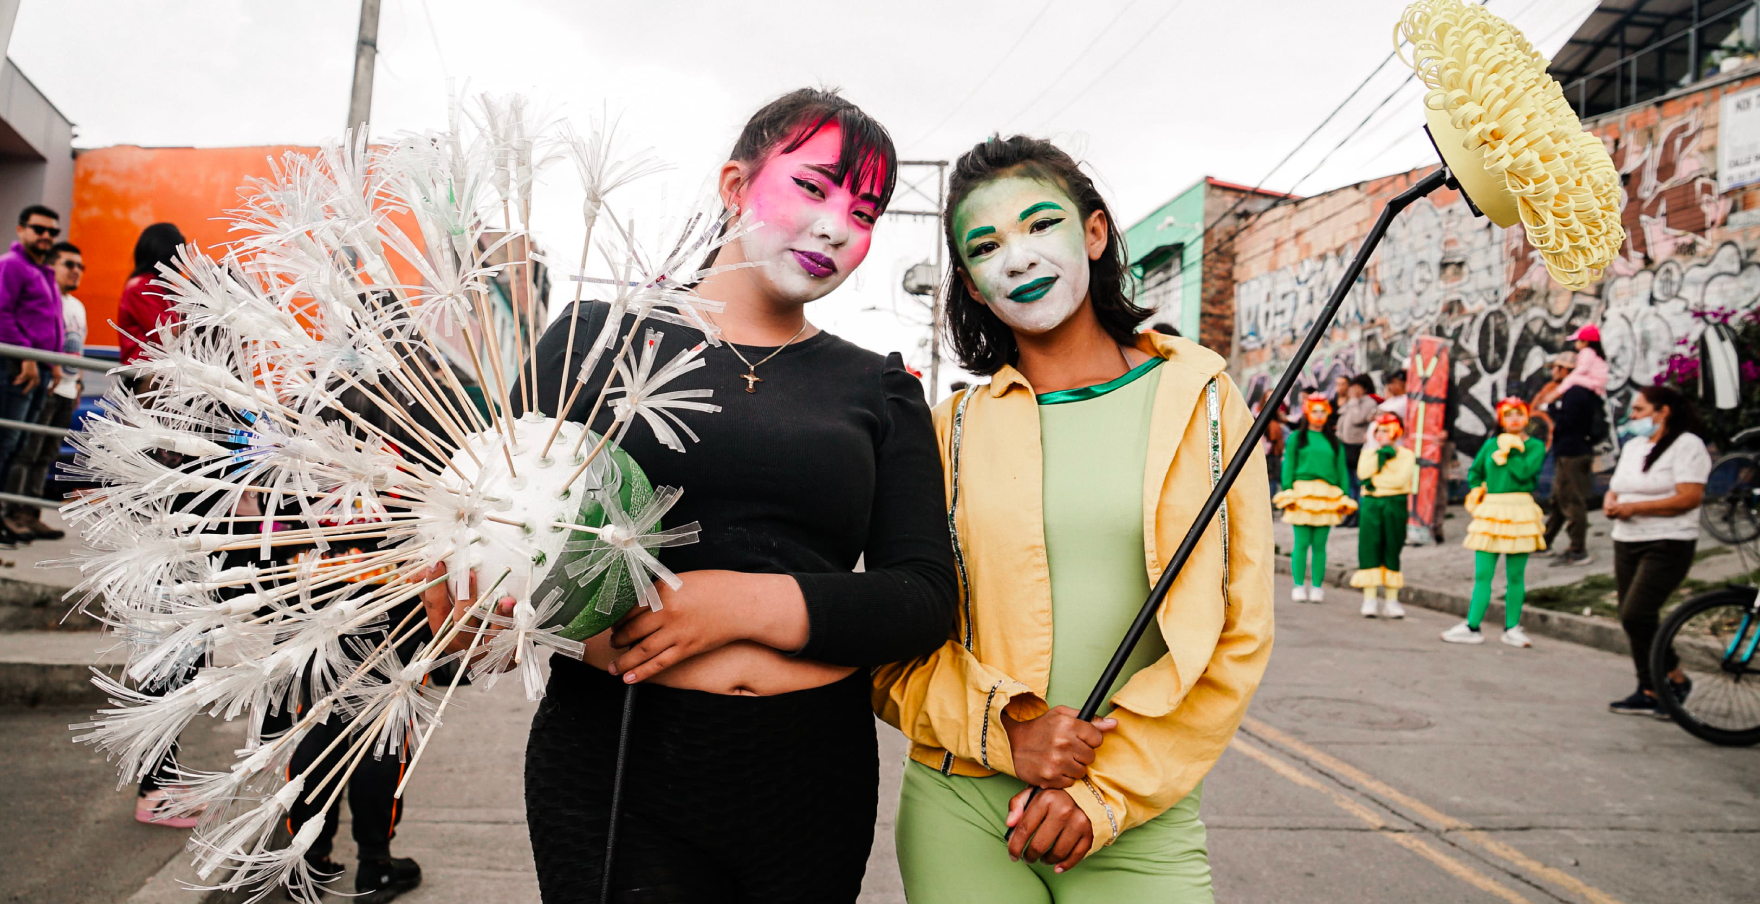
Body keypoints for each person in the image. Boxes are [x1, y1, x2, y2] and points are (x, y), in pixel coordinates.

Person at [427, 88, 958, 903]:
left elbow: (921, 599)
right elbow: (486, 538)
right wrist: (476, 610)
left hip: (811, 779)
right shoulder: (593, 341)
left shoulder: (880, 387)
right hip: (614, 763)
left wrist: (731, 605)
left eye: (866, 209)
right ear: (736, 183)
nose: (835, 226)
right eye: (813, 187)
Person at [873, 133, 1272, 903]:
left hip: (1139, 812)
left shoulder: (1203, 402)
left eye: (1040, 225)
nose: (1018, 257)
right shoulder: (943, 432)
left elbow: (1236, 630)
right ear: (974, 286)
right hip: (961, 804)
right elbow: (893, 650)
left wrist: (1105, 794)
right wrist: (1010, 733)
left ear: (1094, 234)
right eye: (987, 245)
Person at [1605, 385, 1710, 717]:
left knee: (1637, 612)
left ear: (1663, 411)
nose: (1632, 417)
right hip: (1626, 540)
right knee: (1632, 618)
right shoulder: (1635, 446)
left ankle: (1673, 677)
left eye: (1638, 410)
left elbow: (1689, 497)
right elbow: (1617, 487)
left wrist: (1635, 508)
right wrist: (1612, 501)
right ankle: (1649, 689)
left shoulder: (1687, 445)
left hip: (1668, 541)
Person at [1441, 397, 1546, 647]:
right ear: (1500, 419)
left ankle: (1512, 628)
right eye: (1508, 415)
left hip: (1520, 510)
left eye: (1519, 414)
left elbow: (1523, 473)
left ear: (1527, 417)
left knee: (1516, 575)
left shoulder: (1535, 447)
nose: (1514, 420)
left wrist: (1512, 448)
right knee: (1483, 573)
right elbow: (1475, 472)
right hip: (1492, 510)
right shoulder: (1490, 445)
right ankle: (1472, 626)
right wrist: (1478, 490)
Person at [3, 241, 84, 539]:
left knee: (46, 454)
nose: (76, 271)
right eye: (69, 264)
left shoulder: (77, 305)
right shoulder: (47, 301)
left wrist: (77, 383)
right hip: (47, 386)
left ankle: (31, 513)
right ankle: (13, 512)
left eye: (80, 266)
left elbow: (78, 348)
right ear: (51, 266)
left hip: (66, 390)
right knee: (26, 450)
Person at [0, 205, 65, 546]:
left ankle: (6, 517)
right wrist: (26, 356)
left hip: (38, 366)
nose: (46, 236)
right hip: (17, 365)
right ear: (20, 229)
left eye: (52, 232)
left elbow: (48, 322)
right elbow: (2, 314)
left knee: (21, 444)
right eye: (39, 229)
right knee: (7, 441)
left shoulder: (43, 272)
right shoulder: (11, 265)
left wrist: (52, 362)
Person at [1274, 393, 1355, 603]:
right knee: (1301, 543)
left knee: (1320, 544)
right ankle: (1298, 585)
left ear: (1328, 413)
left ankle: (1317, 587)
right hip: (1302, 493)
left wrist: (1343, 495)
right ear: (1307, 413)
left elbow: (1341, 470)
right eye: (1314, 411)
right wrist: (1288, 490)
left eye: (1323, 411)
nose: (1319, 415)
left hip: (1327, 495)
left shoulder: (1334, 441)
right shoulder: (1295, 439)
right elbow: (1288, 466)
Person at [1353, 413, 1414, 619]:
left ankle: (1391, 599)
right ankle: (1369, 599)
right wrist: (1379, 460)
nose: (1381, 434)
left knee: (1392, 548)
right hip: (1371, 505)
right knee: (1369, 548)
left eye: (1386, 430)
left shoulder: (1406, 455)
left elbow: (1400, 480)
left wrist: (1376, 480)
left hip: (1394, 503)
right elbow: (1363, 474)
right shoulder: (1369, 453)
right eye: (1378, 430)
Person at [1542, 350, 1599, 567]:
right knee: (1559, 499)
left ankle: (1578, 550)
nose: (1553, 372)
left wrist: (1551, 409)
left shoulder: (1575, 393)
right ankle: (1544, 541)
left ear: (1566, 370)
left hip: (1572, 454)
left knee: (1572, 501)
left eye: (1556, 368)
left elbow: (1567, 423)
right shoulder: (1577, 390)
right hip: (1570, 452)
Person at [116, 223, 186, 377]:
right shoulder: (141, 286)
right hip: (144, 379)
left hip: (164, 378)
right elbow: (166, 338)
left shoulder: (167, 289)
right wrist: (199, 315)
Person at [1336, 374, 1379, 521]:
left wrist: (1354, 401)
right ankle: (1350, 513)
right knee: (1350, 483)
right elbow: (1341, 414)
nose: (1352, 390)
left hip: (1358, 447)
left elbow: (1357, 418)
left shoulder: (1369, 402)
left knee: (1357, 482)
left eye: (1356, 387)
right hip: (1346, 446)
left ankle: (1358, 515)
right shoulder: (1352, 402)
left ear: (1364, 388)